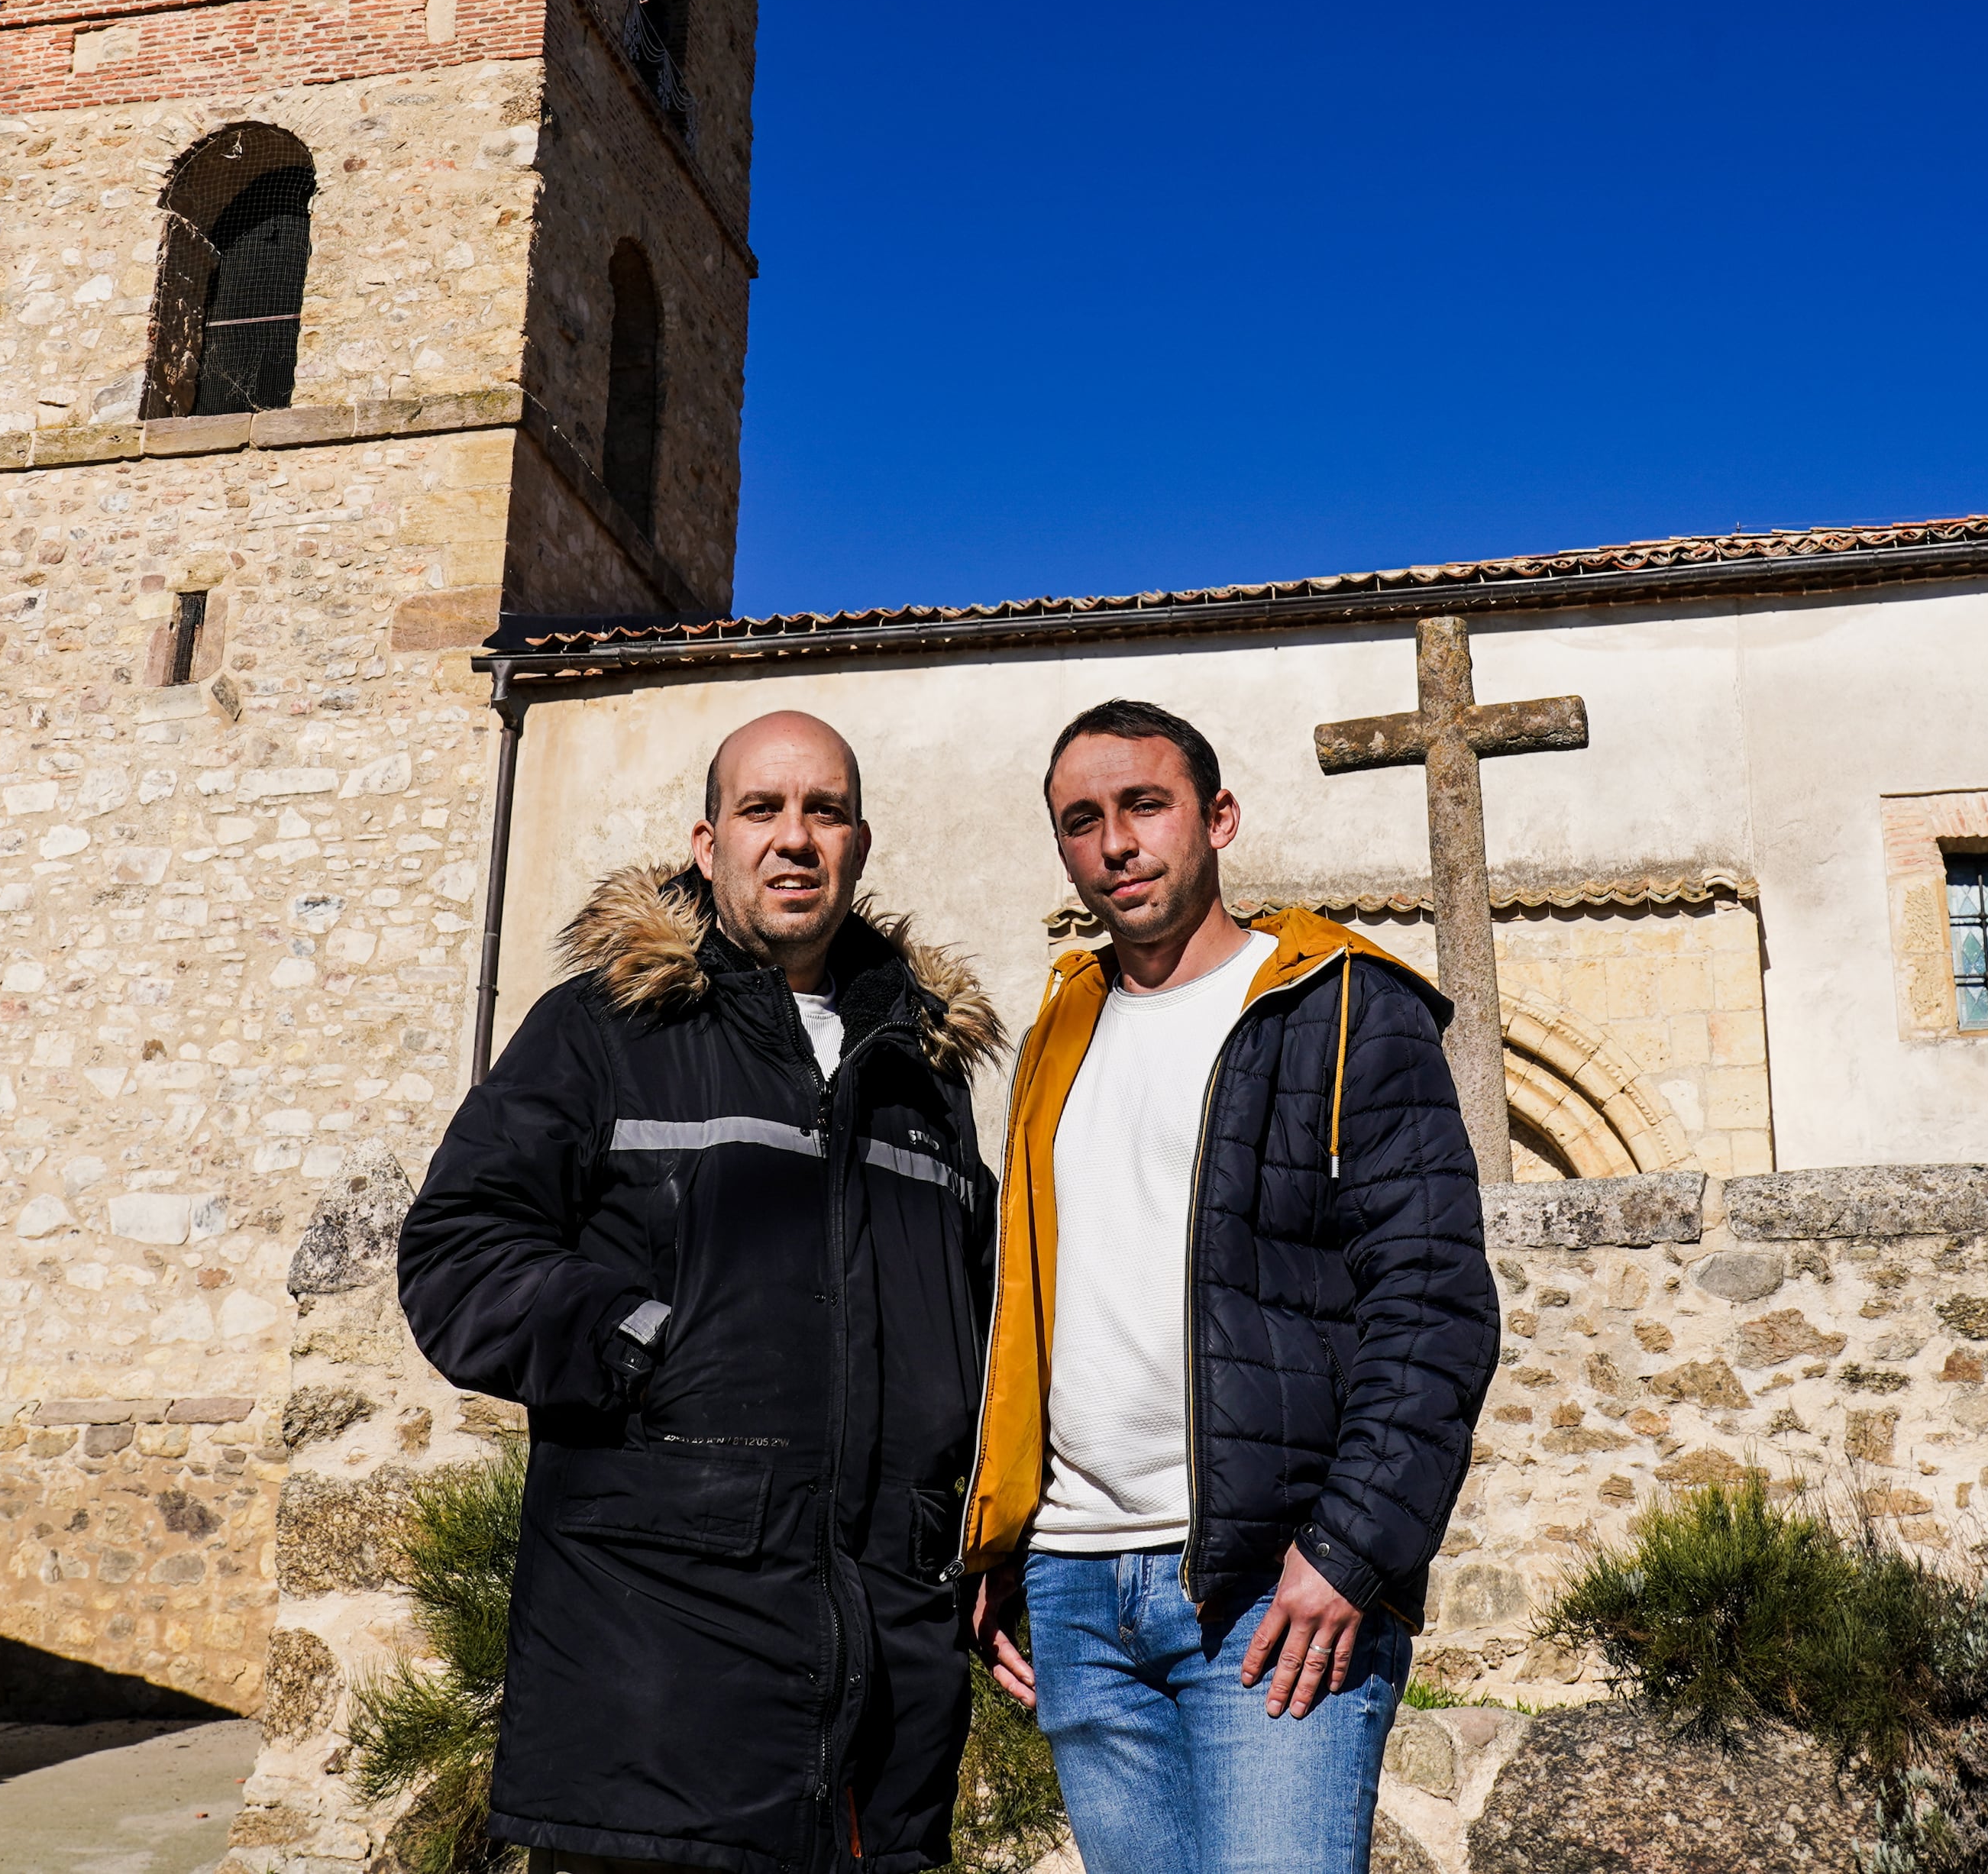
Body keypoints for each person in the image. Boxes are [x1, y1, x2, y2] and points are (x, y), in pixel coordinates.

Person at [397, 710, 1002, 1874]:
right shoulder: (606, 1026)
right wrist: (640, 1343)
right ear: (707, 839)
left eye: (823, 810)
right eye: (762, 810)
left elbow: (973, 1326)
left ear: (860, 844)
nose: (794, 839)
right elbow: (457, 1247)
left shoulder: (923, 1074)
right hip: (654, 1696)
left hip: (886, 1708)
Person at [961, 700, 1498, 1874]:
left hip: (1268, 1589)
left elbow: (1434, 1303)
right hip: (1075, 1591)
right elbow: (1030, 1305)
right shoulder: (1060, 1026)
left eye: (1144, 806)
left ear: (1218, 816)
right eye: (1081, 822)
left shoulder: (1348, 1005)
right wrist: (999, 1543)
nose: (1115, 843)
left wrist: (1352, 1549)